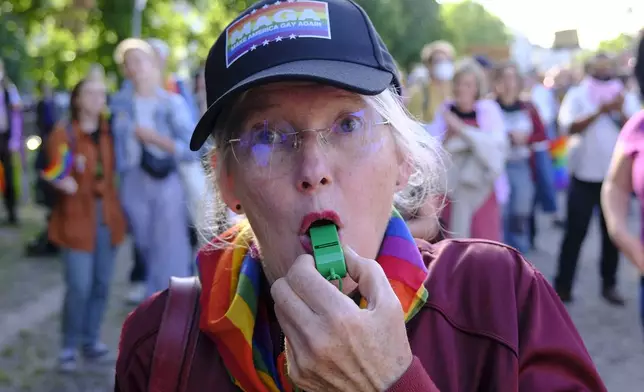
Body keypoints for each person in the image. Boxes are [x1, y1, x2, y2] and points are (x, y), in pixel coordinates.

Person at [115, 1, 606, 390]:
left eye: (348, 124)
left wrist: (392, 382)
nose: (314, 171)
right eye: (267, 136)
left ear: (402, 160)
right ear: (227, 182)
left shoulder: (502, 299)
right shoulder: (159, 342)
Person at [46, 78, 127, 371]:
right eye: (91, 93)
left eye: (102, 93)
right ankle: (69, 345)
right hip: (76, 217)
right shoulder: (65, 133)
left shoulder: (111, 131)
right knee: (78, 286)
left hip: (107, 216)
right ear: (77, 99)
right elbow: (54, 170)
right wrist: (59, 180)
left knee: (102, 284)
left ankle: (90, 340)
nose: (98, 98)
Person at [553, 53, 640, 305]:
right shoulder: (578, 94)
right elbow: (568, 127)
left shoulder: (624, 95)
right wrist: (600, 111)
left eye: (607, 66)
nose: (604, 70)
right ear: (589, 68)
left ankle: (609, 284)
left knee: (612, 234)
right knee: (574, 233)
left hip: (615, 180)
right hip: (583, 176)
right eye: (598, 66)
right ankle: (563, 285)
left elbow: (635, 129)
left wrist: (619, 110)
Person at [111, 38, 195, 299]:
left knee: (172, 247)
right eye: (128, 63)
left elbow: (194, 148)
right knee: (145, 245)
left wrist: (156, 139)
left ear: (152, 63)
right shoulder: (118, 105)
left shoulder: (172, 103)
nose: (134, 68)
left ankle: (177, 305)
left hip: (166, 179)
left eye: (139, 60)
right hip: (133, 180)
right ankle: (155, 303)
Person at [426, 58, 508, 240]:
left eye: (468, 84)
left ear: (477, 87)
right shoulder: (445, 110)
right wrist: (448, 137)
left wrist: (463, 131)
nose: (462, 89)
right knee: (452, 240)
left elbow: (496, 146)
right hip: (449, 190)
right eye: (459, 83)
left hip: (480, 190)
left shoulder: (489, 109)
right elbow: (432, 149)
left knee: (483, 242)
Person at [494, 62, 549, 253]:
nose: (509, 84)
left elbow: (542, 135)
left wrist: (526, 138)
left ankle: (519, 260)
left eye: (512, 78)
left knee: (520, 213)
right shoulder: (489, 107)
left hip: (522, 166)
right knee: (501, 215)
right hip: (496, 167)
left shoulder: (528, 107)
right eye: (504, 79)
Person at [406, 40, 455, 123]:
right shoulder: (418, 92)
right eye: (439, 61)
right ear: (428, 65)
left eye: (447, 60)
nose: (443, 64)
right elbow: (414, 126)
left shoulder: (456, 90)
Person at [0, 58, 22, 225]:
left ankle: (11, 212)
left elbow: (16, 118)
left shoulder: (9, 90)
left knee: (8, 176)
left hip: (6, 139)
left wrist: (15, 139)